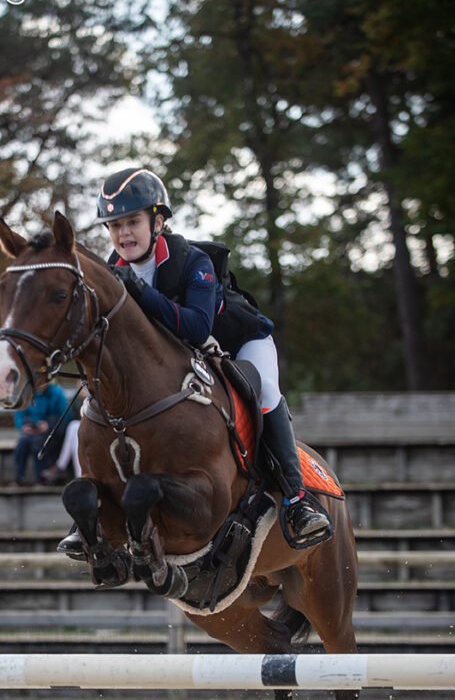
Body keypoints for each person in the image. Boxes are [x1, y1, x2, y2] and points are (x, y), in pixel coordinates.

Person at [87, 166, 331, 546]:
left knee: (265, 389)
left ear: (158, 220)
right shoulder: (110, 273)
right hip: (179, 362)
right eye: (114, 225)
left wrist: (139, 291)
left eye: (132, 221)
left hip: (237, 342)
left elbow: (198, 329)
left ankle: (298, 501)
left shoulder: (192, 260)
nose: (122, 234)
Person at [13, 381, 68, 485]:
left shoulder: (57, 392)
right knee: (22, 442)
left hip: (50, 432)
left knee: (38, 443)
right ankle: (18, 477)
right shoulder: (26, 393)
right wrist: (24, 427)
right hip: (30, 432)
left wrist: (49, 425)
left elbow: (65, 416)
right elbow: (19, 415)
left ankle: (41, 479)